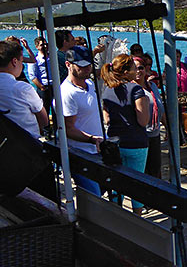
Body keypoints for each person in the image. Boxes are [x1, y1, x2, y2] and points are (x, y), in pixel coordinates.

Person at [0, 40, 55, 200]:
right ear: (14, 61)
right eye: (22, 62)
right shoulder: (22, 89)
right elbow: (43, 119)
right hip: (28, 157)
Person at [101, 54, 150, 216]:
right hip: (136, 143)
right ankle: (137, 219)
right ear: (127, 71)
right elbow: (143, 120)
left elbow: (106, 118)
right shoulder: (136, 89)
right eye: (134, 68)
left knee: (117, 185)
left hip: (115, 143)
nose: (137, 70)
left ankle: (117, 218)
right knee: (137, 184)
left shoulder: (107, 91)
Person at [60, 46, 105, 196]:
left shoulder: (90, 85)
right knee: (94, 196)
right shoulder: (67, 93)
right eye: (82, 66)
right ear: (68, 65)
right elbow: (68, 128)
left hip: (98, 151)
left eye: (89, 65)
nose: (87, 69)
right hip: (81, 155)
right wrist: (92, 139)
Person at [132, 56, 165, 180]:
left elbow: (160, 108)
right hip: (139, 136)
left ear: (146, 69)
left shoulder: (152, 87)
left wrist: (167, 127)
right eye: (134, 68)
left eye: (140, 68)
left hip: (154, 135)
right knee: (142, 173)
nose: (138, 71)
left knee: (155, 171)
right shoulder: (130, 89)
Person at [28, 37, 52, 117]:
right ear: (37, 47)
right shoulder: (35, 60)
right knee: (44, 110)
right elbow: (32, 76)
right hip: (44, 87)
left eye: (46, 44)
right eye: (42, 45)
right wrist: (41, 87)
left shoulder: (52, 58)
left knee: (57, 109)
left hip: (54, 86)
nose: (45, 46)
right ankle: (45, 128)